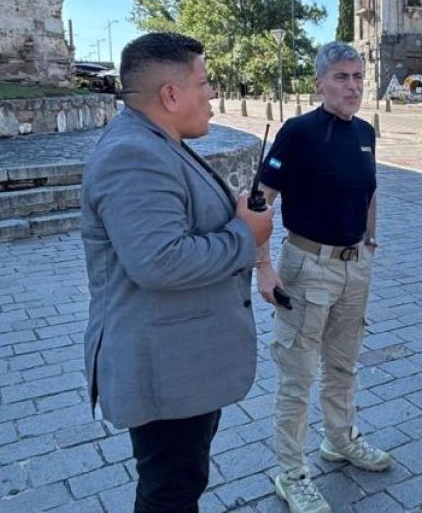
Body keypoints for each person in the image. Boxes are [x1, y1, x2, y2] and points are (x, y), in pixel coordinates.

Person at [81, 32, 274, 512]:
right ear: (170, 95)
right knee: (170, 491)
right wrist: (245, 236)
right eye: (204, 83)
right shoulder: (134, 154)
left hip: (179, 363)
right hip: (163, 369)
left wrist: (229, 215)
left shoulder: (155, 140)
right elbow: (159, 261)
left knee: (180, 482)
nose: (212, 95)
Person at [254, 41, 387, 513]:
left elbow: (368, 190)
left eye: (357, 77)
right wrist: (264, 267)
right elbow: (258, 204)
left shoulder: (366, 131)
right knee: (298, 374)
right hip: (306, 267)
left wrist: (369, 241)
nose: (353, 86)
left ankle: (340, 439)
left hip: (355, 267)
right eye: (342, 77)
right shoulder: (298, 133)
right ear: (320, 83)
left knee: (344, 364)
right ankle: (291, 473)